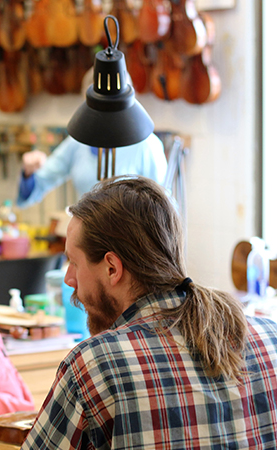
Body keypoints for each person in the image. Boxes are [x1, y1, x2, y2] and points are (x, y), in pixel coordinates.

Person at [23, 175, 277, 449]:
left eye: (74, 262)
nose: (68, 278)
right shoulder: (270, 339)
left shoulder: (94, 366)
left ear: (112, 268)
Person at [17, 133, 167, 208]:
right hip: (89, 241)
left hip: (132, 247)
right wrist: (29, 172)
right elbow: (39, 183)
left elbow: (165, 206)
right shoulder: (78, 142)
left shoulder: (147, 145)